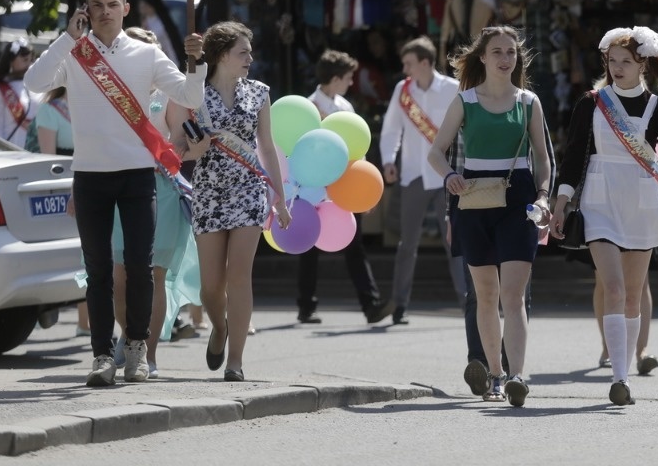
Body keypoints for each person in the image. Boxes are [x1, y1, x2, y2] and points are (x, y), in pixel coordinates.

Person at [24, 0, 206, 387]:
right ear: (86, 11)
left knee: (140, 267)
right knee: (98, 271)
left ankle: (137, 348)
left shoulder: (146, 54)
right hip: (90, 176)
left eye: (112, 5)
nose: (105, 12)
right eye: (97, 6)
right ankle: (102, 355)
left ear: (125, 8)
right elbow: (34, 83)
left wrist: (195, 63)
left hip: (138, 175)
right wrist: (67, 39)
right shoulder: (75, 52)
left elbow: (190, 96)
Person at [548, 26, 658, 406]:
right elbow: (574, 156)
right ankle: (620, 377)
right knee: (612, 288)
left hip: (642, 203)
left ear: (642, 64)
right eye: (612, 61)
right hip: (600, 201)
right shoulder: (591, 103)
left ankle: (624, 372)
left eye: (625, 61)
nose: (617, 68)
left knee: (632, 295)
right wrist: (561, 203)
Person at [428, 25, 552, 407]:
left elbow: (543, 157)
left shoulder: (529, 102)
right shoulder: (465, 100)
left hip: (519, 198)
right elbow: (436, 152)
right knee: (485, 295)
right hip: (474, 198)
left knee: (513, 295)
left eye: (511, 52)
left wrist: (544, 196)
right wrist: (449, 176)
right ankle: (495, 375)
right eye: (497, 51)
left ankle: (517, 376)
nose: (505, 58)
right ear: (482, 57)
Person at [184, 21, 291, 382]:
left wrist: (279, 198)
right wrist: (192, 148)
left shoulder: (259, 92)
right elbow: (181, 145)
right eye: (242, 52)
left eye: (250, 52)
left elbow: (267, 147)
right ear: (221, 56)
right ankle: (219, 326)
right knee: (211, 286)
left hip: (248, 190)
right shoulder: (194, 93)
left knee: (239, 276)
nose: (250, 58)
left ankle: (236, 361)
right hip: (209, 191)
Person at [105, 26, 203, 380]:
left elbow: (181, 141)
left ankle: (148, 352)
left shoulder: (171, 92)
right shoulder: (111, 91)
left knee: (152, 274)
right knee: (118, 277)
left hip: (160, 188)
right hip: (117, 186)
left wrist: (170, 154)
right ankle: (130, 335)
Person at [296, 49, 394, 325]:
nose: (352, 82)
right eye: (349, 77)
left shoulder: (345, 107)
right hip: (314, 183)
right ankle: (306, 305)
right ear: (336, 78)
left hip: (344, 185)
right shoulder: (308, 107)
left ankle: (371, 304)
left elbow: (357, 149)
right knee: (309, 245)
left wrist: (364, 189)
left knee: (354, 244)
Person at [380, 37, 466, 325]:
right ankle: (400, 304)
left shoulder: (453, 88)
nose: (405, 69)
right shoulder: (402, 91)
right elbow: (391, 129)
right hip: (413, 174)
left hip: (447, 176)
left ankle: (468, 303)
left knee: (454, 242)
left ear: (425, 63)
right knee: (407, 244)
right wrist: (388, 160)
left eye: (409, 63)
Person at [30, 85, 87, 334]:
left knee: (92, 249)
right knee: (81, 251)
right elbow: (49, 159)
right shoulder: (49, 110)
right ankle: (80, 319)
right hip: (65, 186)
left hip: (93, 176)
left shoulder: (89, 103)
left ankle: (87, 321)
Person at [0, 36, 42, 146]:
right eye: (25, 60)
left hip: (34, 150)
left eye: (31, 60)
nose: (29, 65)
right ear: (11, 61)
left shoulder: (37, 87)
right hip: (10, 150)